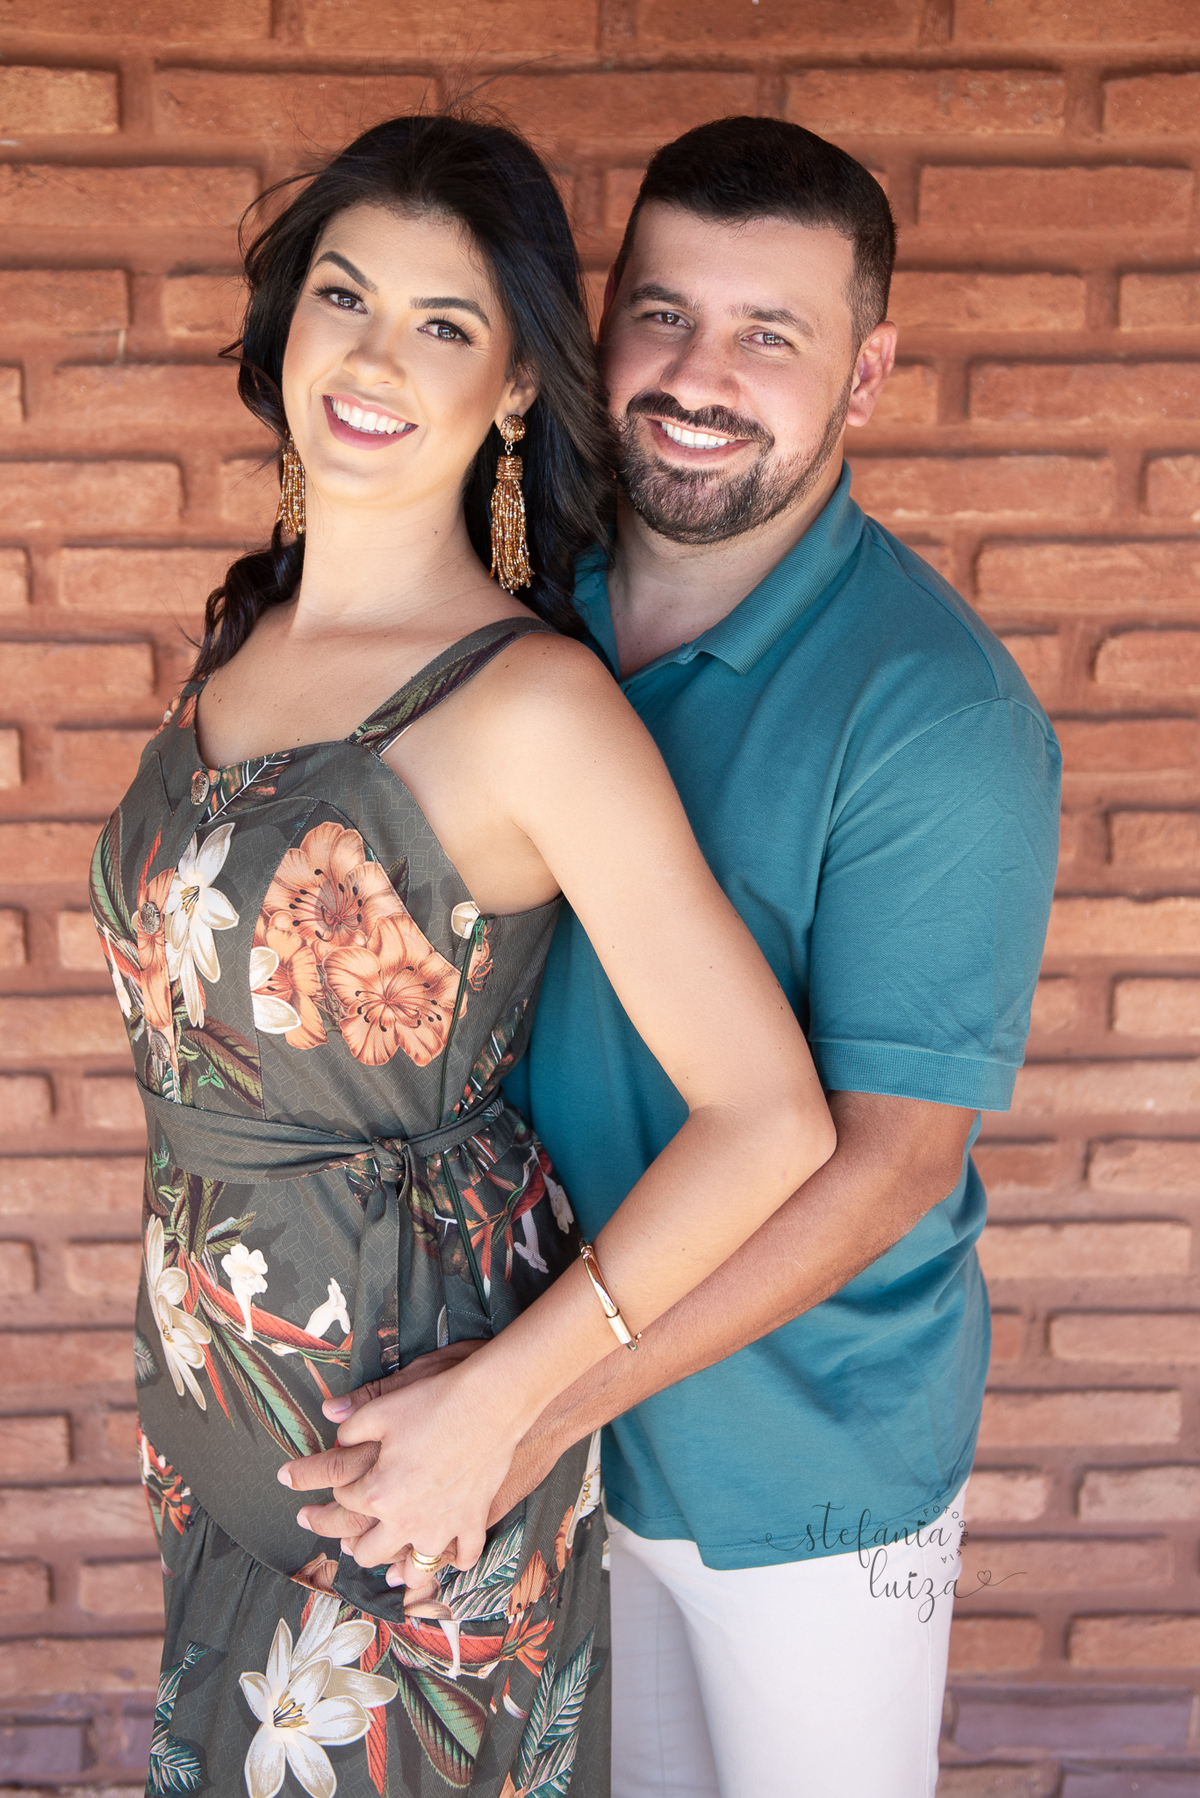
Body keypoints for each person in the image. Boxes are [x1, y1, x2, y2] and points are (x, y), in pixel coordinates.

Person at [292, 118, 1061, 1796]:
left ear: (867, 374)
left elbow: (885, 1162)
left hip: (801, 1467)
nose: (699, 378)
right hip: (509, 1417)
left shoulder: (938, 713)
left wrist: (529, 1404)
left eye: (770, 334)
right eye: (663, 313)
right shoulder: (518, 605)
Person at [89, 114, 835, 1798]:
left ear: (513, 388)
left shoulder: (529, 708)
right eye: (344, 295)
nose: (372, 357)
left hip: (411, 1452)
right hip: (218, 1414)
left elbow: (773, 1115)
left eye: (443, 323)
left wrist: (510, 1399)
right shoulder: (250, 634)